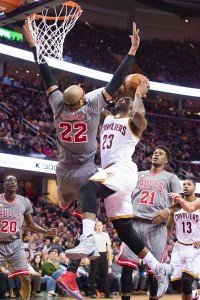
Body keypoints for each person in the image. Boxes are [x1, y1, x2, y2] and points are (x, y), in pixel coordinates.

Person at [23, 19, 141, 300]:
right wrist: (132, 52)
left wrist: (34, 45)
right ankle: (88, 244)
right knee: (99, 196)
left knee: (82, 215)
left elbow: (46, 73)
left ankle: (72, 269)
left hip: (61, 175)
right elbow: (115, 81)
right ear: (82, 100)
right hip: (84, 170)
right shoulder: (92, 107)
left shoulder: (57, 105)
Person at [65, 82, 173, 298]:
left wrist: (139, 95)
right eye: (122, 98)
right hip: (112, 173)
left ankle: (87, 239)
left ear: (132, 106)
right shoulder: (109, 119)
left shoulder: (133, 123)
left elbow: (140, 115)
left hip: (122, 171)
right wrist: (81, 94)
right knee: (124, 228)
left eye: (128, 99)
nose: (122, 99)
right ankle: (158, 268)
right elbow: (91, 104)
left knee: (88, 187)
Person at [117, 145, 183, 300]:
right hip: (134, 224)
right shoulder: (139, 175)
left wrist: (167, 211)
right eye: (154, 153)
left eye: (160, 154)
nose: (156, 155)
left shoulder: (170, 178)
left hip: (156, 226)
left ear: (166, 160)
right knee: (126, 266)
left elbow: (180, 202)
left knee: (155, 270)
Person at [0, 175, 56, 300]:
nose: (13, 182)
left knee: (25, 278)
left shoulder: (24, 201)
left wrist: (45, 231)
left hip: (15, 244)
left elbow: (30, 224)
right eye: (9, 181)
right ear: (4, 185)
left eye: (14, 180)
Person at [168, 179, 200, 300]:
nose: (185, 186)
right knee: (176, 284)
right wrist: (165, 242)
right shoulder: (176, 205)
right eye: (184, 185)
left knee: (186, 280)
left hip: (195, 247)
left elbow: (191, 208)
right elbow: (169, 226)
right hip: (179, 246)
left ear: (195, 189)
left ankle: (191, 291)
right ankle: (193, 293)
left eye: (189, 184)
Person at [89, 220, 113, 298]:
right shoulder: (92, 234)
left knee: (105, 275)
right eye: (97, 225)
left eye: (100, 225)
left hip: (103, 255)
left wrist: (110, 258)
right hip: (94, 254)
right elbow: (89, 246)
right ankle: (92, 293)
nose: (99, 227)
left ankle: (107, 293)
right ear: (95, 227)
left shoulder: (106, 235)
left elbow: (108, 247)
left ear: (102, 226)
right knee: (93, 274)